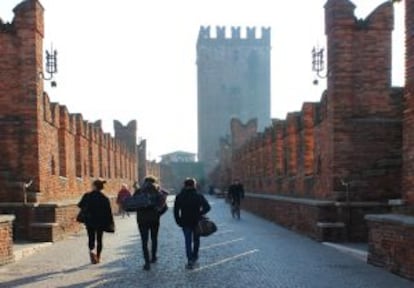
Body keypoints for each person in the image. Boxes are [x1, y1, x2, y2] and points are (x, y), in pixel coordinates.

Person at [174, 178, 211, 269]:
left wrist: (178, 220)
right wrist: (200, 213)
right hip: (196, 221)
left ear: (185, 185)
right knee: (196, 240)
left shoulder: (180, 196)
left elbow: (176, 210)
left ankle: (189, 259)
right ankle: (195, 256)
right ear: (194, 185)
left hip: (185, 221)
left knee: (187, 241)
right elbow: (207, 207)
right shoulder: (198, 195)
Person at [78, 179, 115, 264]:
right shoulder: (104, 198)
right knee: (99, 239)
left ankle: (91, 251)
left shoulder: (87, 195)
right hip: (100, 221)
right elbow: (108, 212)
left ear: (94, 186)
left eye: (92, 185)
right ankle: (98, 256)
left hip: (89, 220)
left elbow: (80, 205)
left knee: (91, 238)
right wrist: (110, 223)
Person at [135, 176, 164, 271]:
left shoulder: (139, 191)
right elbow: (163, 206)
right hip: (154, 219)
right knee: (154, 238)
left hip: (142, 219)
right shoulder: (157, 191)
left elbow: (132, 203)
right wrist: (158, 213)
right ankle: (154, 257)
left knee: (144, 241)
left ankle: (147, 263)